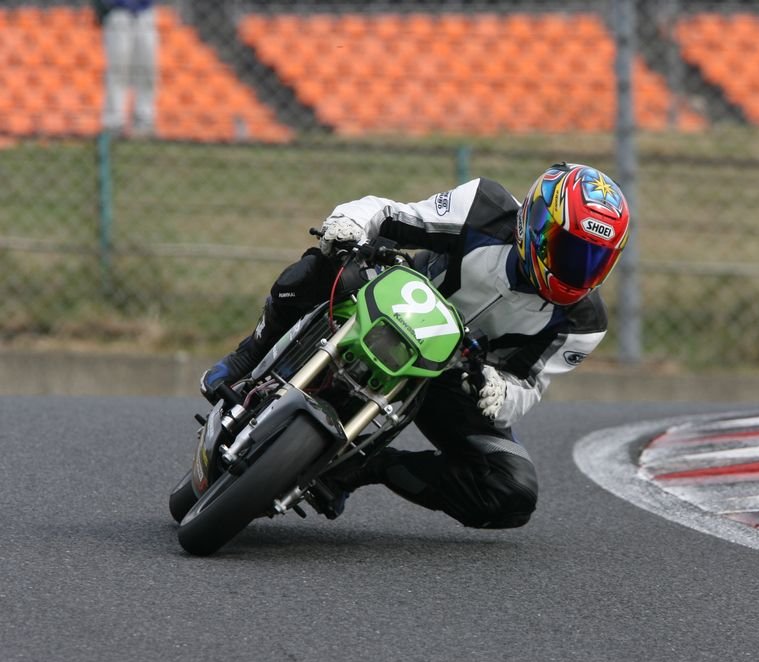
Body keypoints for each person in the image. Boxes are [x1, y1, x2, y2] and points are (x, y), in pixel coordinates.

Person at [201, 162, 631, 529]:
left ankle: (365, 467)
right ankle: (249, 355)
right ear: (534, 223)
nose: (580, 271)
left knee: (511, 489)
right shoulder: (484, 207)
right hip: (394, 300)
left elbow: (529, 385)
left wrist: (499, 392)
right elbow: (392, 213)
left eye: (596, 260)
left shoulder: (584, 323)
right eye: (570, 251)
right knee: (323, 266)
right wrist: (350, 223)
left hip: (453, 375)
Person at [94, 0, 159, 137]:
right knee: (117, 70)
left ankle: (144, 121)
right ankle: (114, 122)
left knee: (147, 71)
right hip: (118, 11)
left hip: (144, 11)